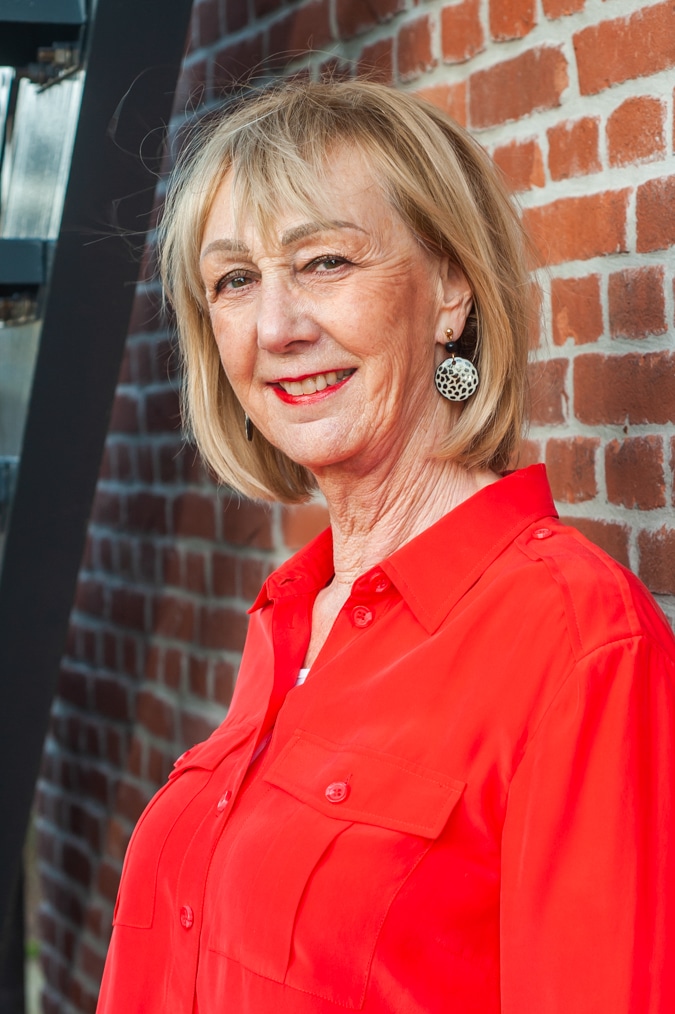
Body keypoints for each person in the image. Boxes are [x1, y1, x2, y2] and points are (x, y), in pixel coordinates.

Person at [97, 81, 675, 1013]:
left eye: (323, 261)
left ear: (450, 289)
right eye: (235, 280)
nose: (276, 328)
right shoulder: (292, 614)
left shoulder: (575, 637)